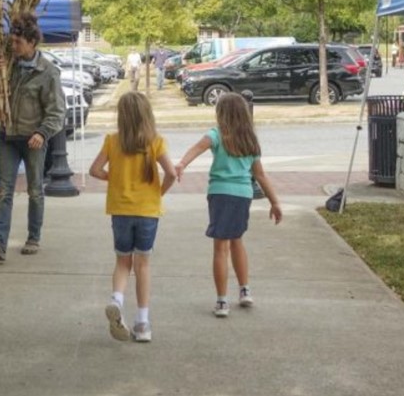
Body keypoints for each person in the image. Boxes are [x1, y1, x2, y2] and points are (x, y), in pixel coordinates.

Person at [174, 92, 282, 318]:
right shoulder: (250, 140)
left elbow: (197, 148)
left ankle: (222, 301)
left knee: (220, 248)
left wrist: (182, 163)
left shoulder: (216, 134)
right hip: (243, 195)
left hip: (220, 194)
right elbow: (260, 175)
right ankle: (245, 290)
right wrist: (275, 202)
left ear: (220, 114)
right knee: (237, 241)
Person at [88, 92, 176, 343]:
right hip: (147, 211)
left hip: (120, 211)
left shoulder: (112, 142)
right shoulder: (155, 142)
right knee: (143, 265)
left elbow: (95, 170)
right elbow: (171, 173)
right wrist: (158, 193)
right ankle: (143, 323)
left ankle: (116, 298)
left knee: (123, 262)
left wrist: (113, 178)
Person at [0, 13, 66, 261]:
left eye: (18, 42)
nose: (13, 46)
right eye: (12, 41)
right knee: (4, 191)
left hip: (33, 140)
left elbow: (57, 112)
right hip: (8, 136)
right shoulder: (9, 66)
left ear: (32, 43)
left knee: (35, 190)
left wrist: (42, 132)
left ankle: (33, 237)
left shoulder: (48, 73)